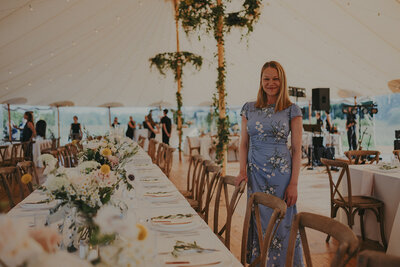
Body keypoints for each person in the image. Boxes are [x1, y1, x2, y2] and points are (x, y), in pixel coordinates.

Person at [236, 61, 304, 266]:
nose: (271, 83)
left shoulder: (292, 109)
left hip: (281, 178)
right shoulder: (249, 108)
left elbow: (297, 149)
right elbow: (243, 144)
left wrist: (294, 183)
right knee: (257, 222)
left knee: (282, 224)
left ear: (282, 81)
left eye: (275, 78)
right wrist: (241, 171)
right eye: (267, 78)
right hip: (255, 174)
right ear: (261, 81)